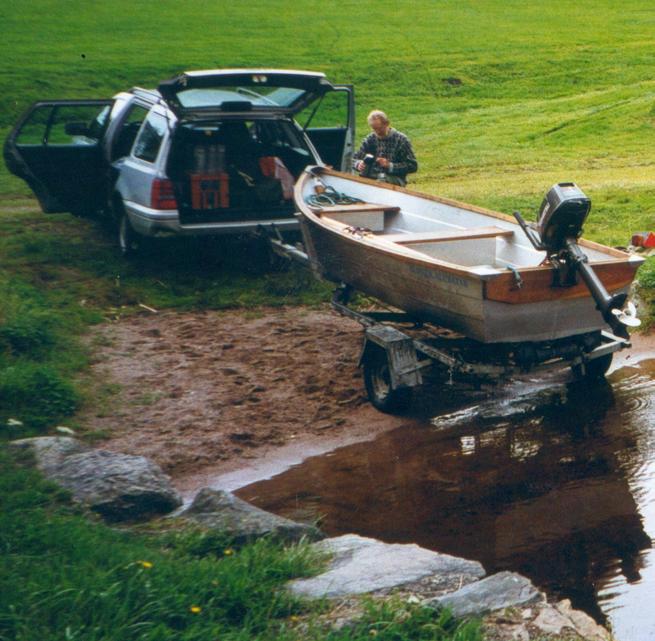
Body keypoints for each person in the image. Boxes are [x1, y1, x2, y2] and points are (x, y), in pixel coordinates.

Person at [353, 110, 417, 186]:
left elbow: (412, 166)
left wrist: (389, 165)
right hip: (371, 175)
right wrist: (358, 164)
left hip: (394, 178)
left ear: (387, 123)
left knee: (380, 181)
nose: (377, 132)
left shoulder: (401, 140)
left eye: (379, 128)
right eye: (373, 128)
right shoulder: (370, 139)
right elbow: (352, 159)